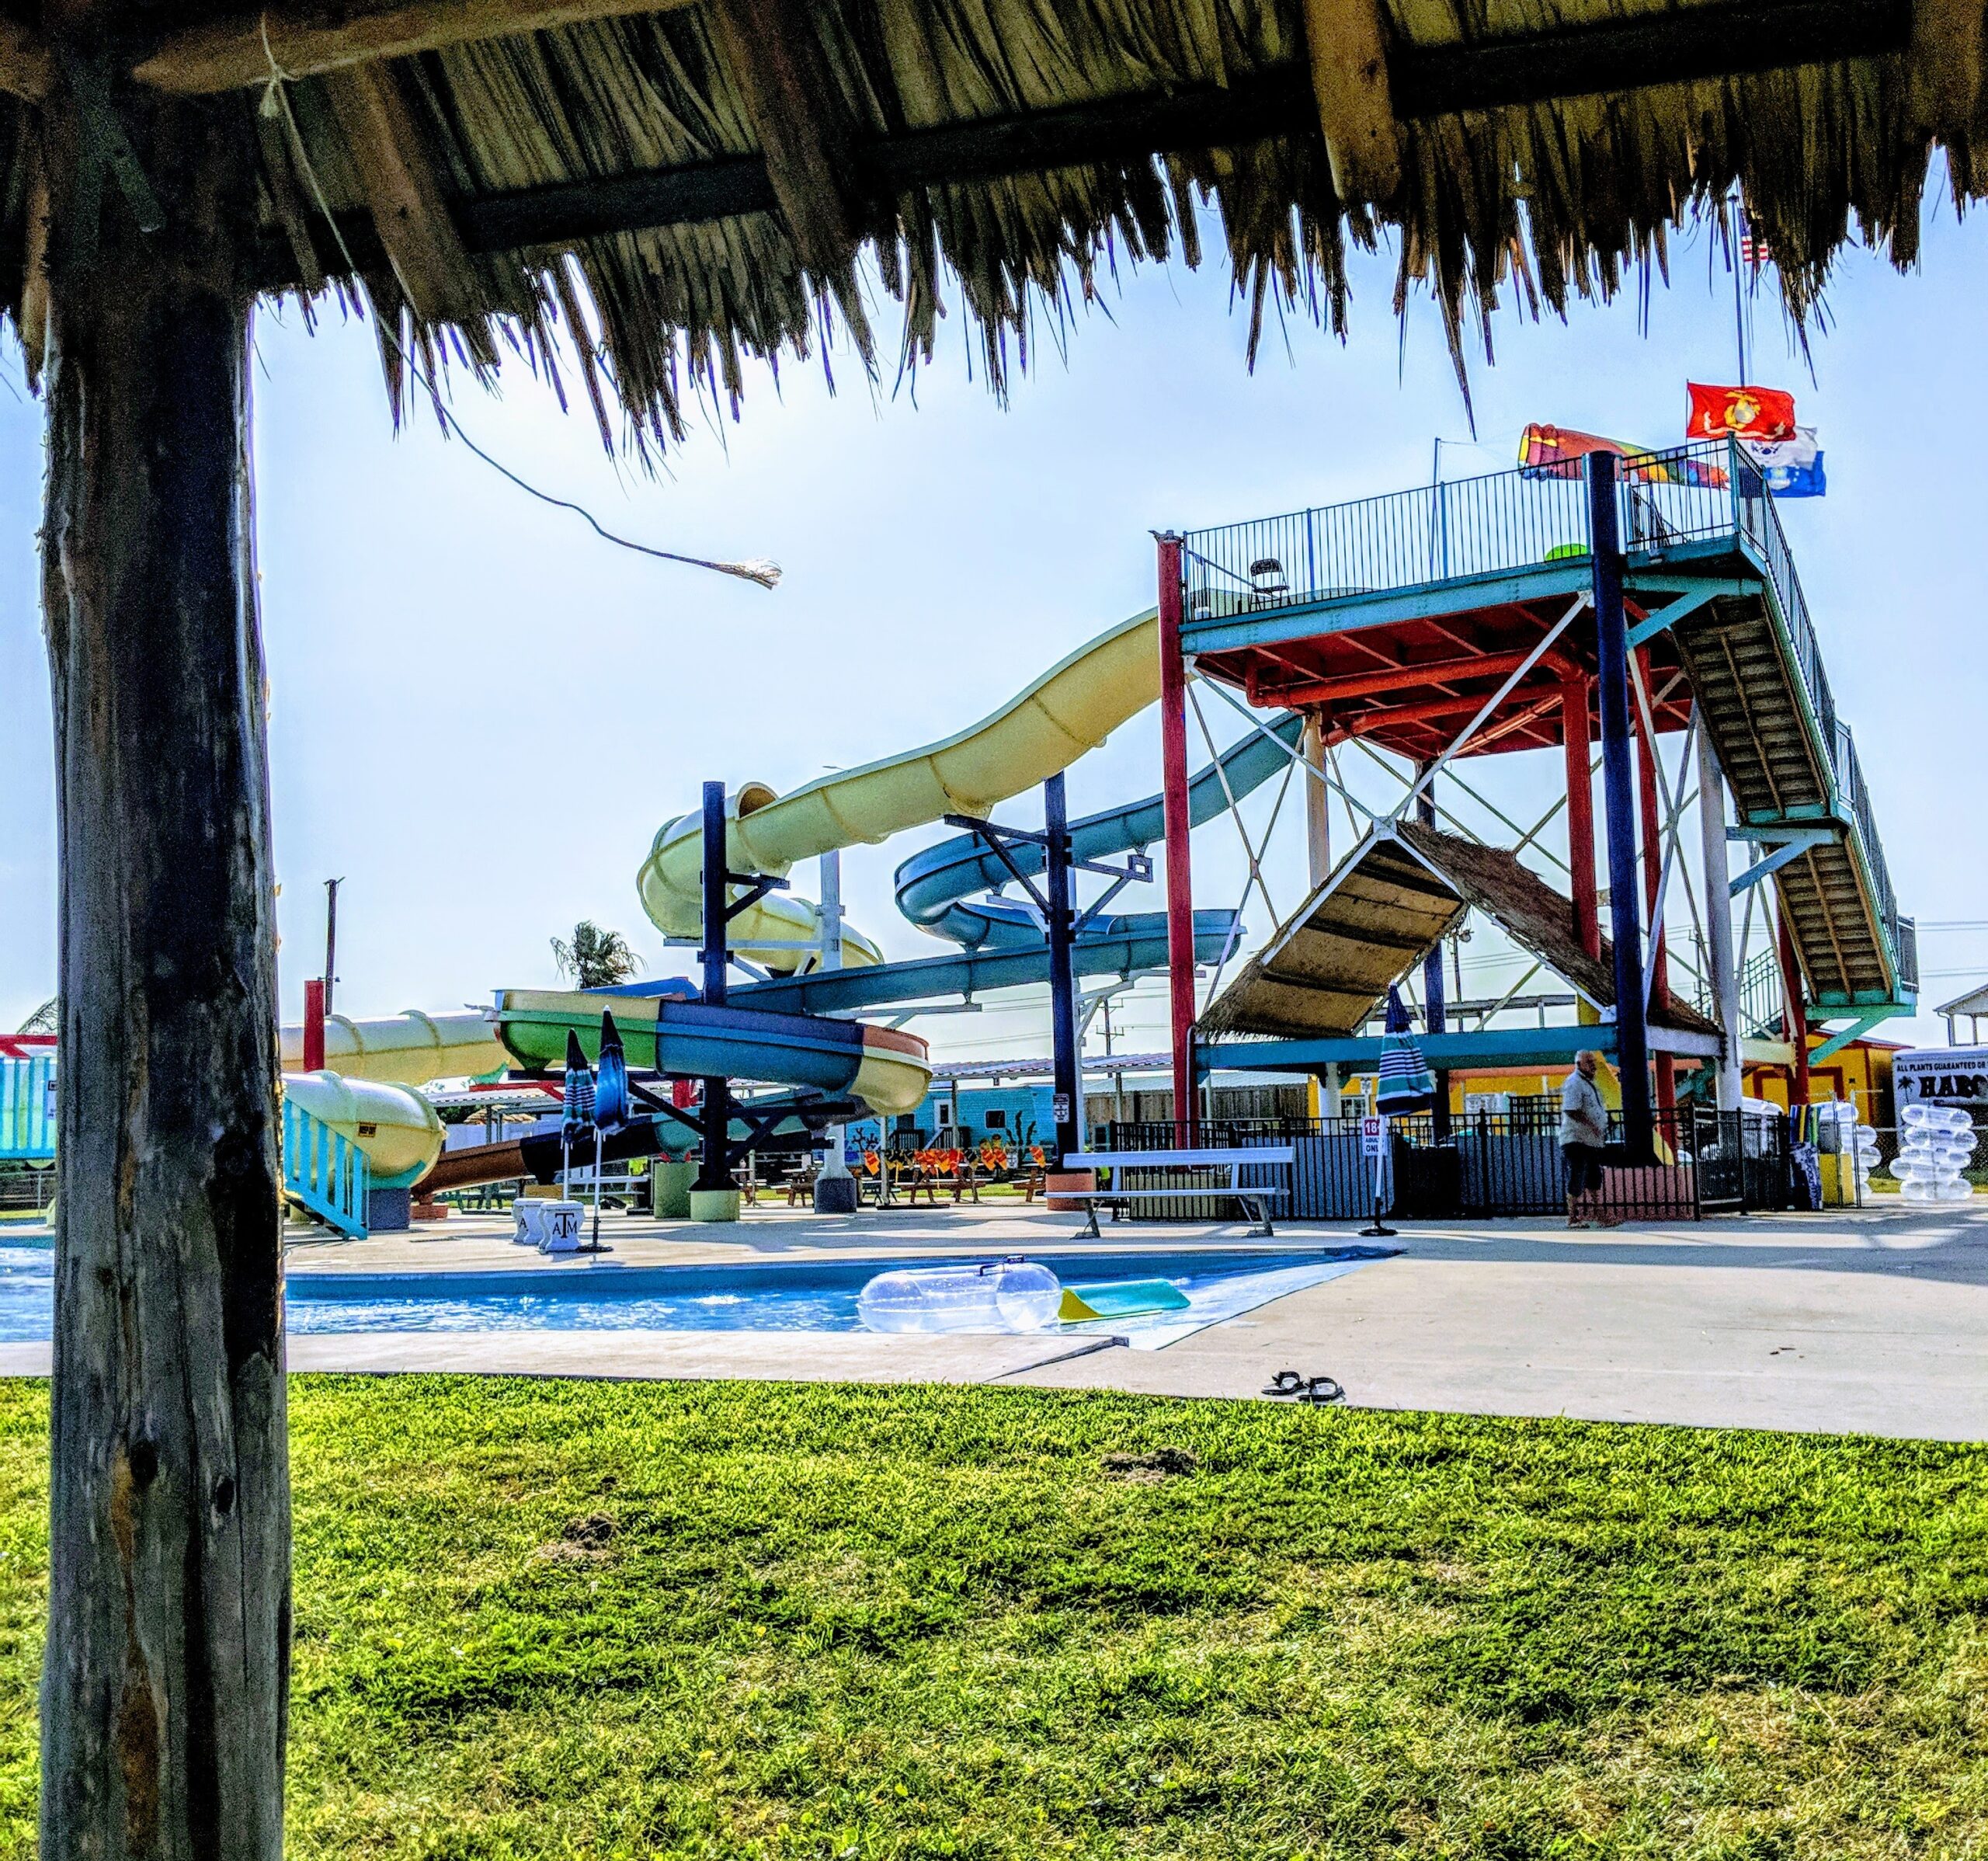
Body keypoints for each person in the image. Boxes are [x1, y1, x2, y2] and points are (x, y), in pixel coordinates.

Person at [1559, 1050, 1618, 1228]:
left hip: (1591, 1140)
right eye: (1589, 1062)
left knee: (1594, 1178)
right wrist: (1591, 1124)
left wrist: (1604, 1123)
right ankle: (1573, 1218)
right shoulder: (1574, 1083)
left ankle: (1601, 1216)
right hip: (1577, 1139)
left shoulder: (1590, 1084)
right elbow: (1571, 1110)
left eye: (1593, 1061)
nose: (1593, 1065)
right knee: (1577, 1176)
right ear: (1579, 1064)